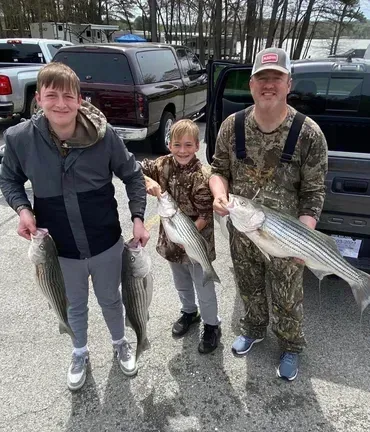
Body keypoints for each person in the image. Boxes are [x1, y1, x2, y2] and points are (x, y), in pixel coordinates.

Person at [0, 62, 150, 390]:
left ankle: (119, 343)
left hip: (106, 242)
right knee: (74, 304)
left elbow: (133, 175)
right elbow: (9, 178)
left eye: (68, 96)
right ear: (38, 98)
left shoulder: (105, 135)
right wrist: (22, 209)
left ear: (80, 99)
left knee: (111, 299)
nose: (61, 103)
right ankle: (79, 350)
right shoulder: (19, 139)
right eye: (51, 95)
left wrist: (138, 217)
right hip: (61, 248)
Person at [209, 47, 328, 381]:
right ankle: (254, 328)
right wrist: (219, 194)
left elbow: (314, 191)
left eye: (276, 78)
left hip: (287, 233)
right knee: (248, 287)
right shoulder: (233, 127)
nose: (269, 85)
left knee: (288, 296)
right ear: (251, 84)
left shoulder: (308, 133)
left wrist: (305, 236)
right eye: (262, 78)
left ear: (289, 83)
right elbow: (218, 170)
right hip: (242, 231)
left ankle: (290, 346)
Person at [142, 119, 221, 354]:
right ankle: (189, 312)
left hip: (196, 242)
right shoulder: (162, 164)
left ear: (197, 146)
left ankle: (212, 325)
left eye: (188, 145)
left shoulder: (202, 175)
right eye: (177, 145)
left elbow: (206, 213)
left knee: (204, 287)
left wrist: (187, 237)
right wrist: (147, 181)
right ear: (169, 145)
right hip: (172, 243)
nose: (182, 150)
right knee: (181, 283)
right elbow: (136, 167)